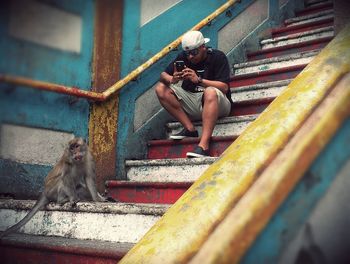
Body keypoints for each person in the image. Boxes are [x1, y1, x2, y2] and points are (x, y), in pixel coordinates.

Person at [155, 30, 232, 158]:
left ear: (203, 47)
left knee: (210, 91)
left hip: (219, 104)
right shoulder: (184, 57)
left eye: (194, 52)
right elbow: (163, 75)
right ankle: (190, 129)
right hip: (195, 101)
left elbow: (224, 88)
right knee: (161, 88)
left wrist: (199, 80)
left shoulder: (218, 57)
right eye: (187, 53)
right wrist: (172, 79)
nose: (190, 56)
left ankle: (204, 145)